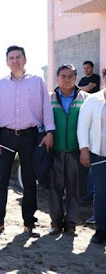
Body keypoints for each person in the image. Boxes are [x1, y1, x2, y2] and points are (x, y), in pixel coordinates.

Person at [0, 45, 55, 237]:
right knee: (1, 181)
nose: (15, 60)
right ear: (6, 61)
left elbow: (46, 108)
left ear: (25, 59)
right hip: (5, 136)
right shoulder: (0, 85)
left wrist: (50, 131)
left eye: (18, 57)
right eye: (11, 57)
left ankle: (29, 223)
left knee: (29, 181)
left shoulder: (37, 81)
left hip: (30, 136)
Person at [47, 64, 90, 236]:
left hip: (76, 150)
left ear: (76, 78)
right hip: (55, 150)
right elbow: (42, 121)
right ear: (57, 78)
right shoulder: (49, 98)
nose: (66, 79)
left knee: (74, 188)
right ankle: (56, 223)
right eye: (63, 76)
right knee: (54, 188)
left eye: (70, 76)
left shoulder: (85, 98)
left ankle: (71, 223)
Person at [77, 69, 106, 244]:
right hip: (98, 154)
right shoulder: (93, 100)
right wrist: (84, 150)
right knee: (101, 192)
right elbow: (82, 127)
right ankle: (101, 230)